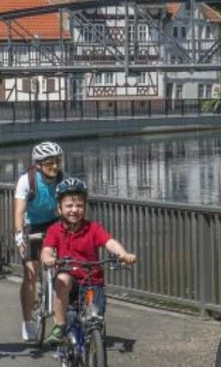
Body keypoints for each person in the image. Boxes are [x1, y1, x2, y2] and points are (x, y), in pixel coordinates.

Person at [40, 177, 137, 346]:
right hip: (70, 280)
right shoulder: (55, 230)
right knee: (62, 279)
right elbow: (47, 249)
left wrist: (123, 254)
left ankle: (94, 355)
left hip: (92, 281)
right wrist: (48, 259)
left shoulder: (93, 228)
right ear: (60, 208)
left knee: (94, 322)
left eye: (79, 206)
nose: (74, 210)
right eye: (69, 206)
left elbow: (110, 242)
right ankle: (59, 326)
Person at [13, 141, 66, 342]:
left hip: (54, 222)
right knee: (31, 273)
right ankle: (27, 321)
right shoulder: (26, 181)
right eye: (49, 163)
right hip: (32, 225)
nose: (55, 166)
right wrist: (19, 234)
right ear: (38, 164)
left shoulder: (62, 178)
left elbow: (69, 204)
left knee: (63, 269)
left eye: (57, 162)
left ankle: (61, 322)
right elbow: (19, 211)